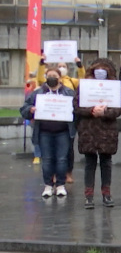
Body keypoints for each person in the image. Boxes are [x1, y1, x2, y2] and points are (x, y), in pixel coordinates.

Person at [73, 58, 121, 209]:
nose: (100, 73)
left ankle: (106, 194)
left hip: (107, 130)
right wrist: (91, 110)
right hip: (88, 129)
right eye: (98, 70)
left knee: (106, 163)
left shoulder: (114, 87)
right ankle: (88, 196)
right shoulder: (83, 86)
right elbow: (76, 106)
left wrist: (106, 112)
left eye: (104, 70)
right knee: (89, 163)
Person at [21, 65, 76, 198]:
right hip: (44, 131)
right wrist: (31, 110)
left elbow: (77, 109)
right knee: (47, 159)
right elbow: (24, 108)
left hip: (63, 131)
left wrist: (72, 111)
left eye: (54, 76)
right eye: (49, 76)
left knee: (62, 159)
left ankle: (61, 185)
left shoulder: (68, 93)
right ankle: (48, 185)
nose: (52, 79)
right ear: (45, 78)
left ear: (60, 78)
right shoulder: (38, 93)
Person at [37, 57, 83, 179]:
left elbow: (83, 80)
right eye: (59, 66)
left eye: (64, 66)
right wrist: (42, 63)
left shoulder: (71, 82)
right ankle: (53, 174)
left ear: (67, 69)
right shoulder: (46, 84)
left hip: (66, 121)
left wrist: (79, 65)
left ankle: (68, 172)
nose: (62, 68)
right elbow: (40, 78)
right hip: (49, 119)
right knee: (50, 152)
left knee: (68, 150)